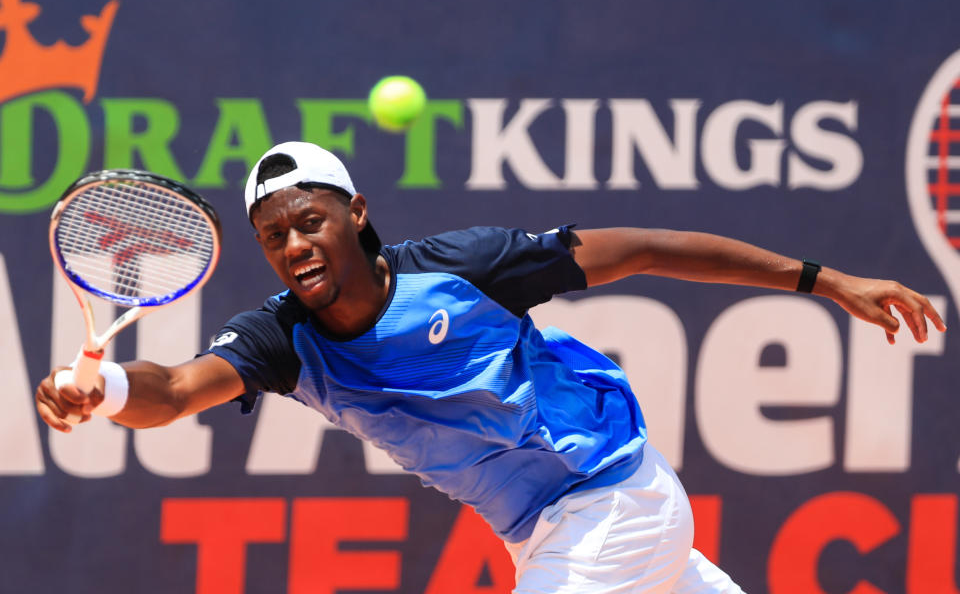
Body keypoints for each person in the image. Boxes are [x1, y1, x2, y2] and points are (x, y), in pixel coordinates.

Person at [36, 141, 946, 593]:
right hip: (549, 537)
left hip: (611, 500)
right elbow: (173, 391)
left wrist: (827, 282)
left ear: (355, 212)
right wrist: (106, 389)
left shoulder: (463, 267)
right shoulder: (281, 338)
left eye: (308, 221)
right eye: (274, 238)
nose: (293, 246)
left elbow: (649, 249)